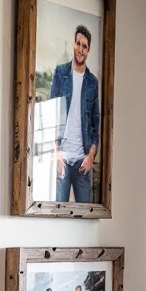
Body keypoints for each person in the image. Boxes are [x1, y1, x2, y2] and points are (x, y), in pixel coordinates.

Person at [50, 24, 100, 203]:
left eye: (84, 46)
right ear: (73, 44)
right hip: (62, 158)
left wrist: (90, 157)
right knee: (56, 212)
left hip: (82, 162)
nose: (80, 49)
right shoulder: (61, 73)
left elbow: (95, 124)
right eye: (78, 44)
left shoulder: (92, 82)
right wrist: (57, 155)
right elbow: (51, 115)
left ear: (89, 50)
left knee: (85, 216)